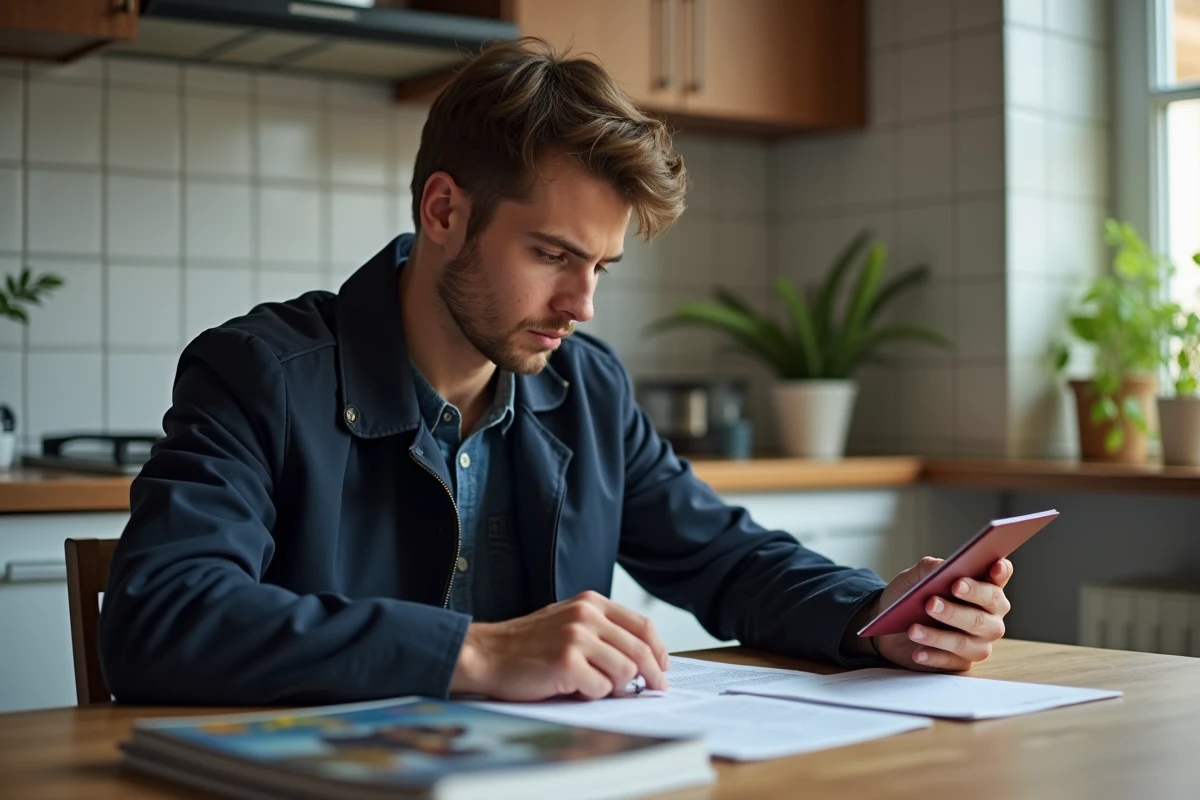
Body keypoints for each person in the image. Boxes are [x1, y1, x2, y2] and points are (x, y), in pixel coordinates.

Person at [98, 38, 1012, 706]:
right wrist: (477, 653)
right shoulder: (260, 374)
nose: (583, 305)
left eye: (601, 268)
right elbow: (161, 619)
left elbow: (726, 559)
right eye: (550, 255)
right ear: (444, 209)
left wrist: (878, 615)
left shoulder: (585, 387)